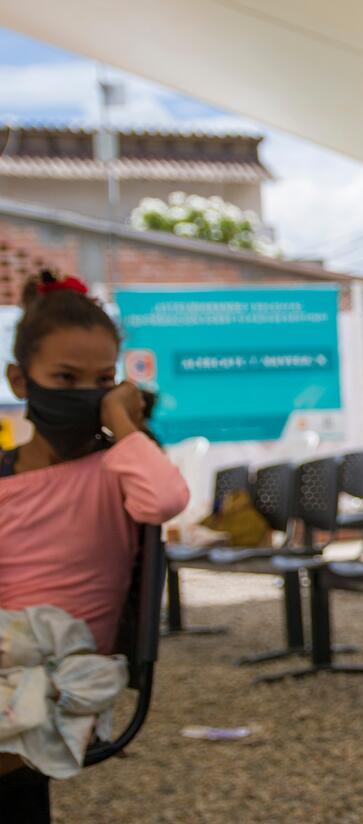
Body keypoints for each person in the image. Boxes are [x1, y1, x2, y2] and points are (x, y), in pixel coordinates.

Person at [0, 271, 190, 820]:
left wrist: (120, 422)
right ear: (20, 380)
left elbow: (166, 498)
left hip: (66, 670)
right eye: (64, 378)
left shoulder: (119, 467)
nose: (85, 393)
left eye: (101, 379)